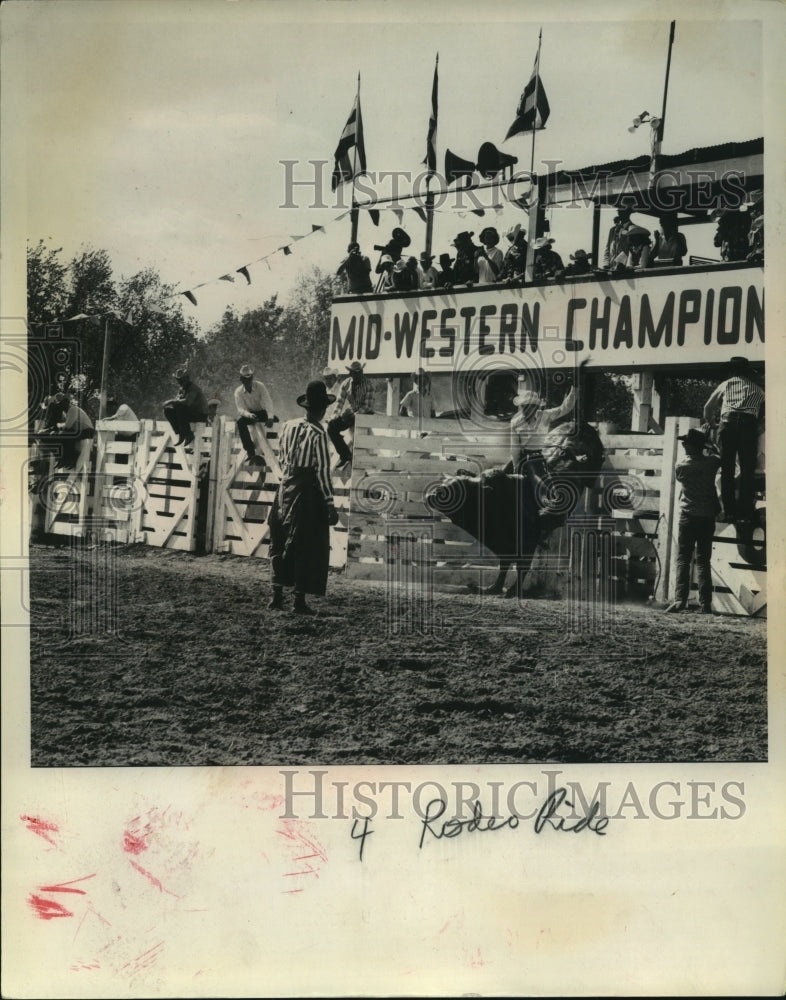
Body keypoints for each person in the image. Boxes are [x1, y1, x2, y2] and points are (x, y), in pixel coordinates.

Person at [267, 379, 339, 615]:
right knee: (307, 543)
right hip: (306, 491)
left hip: (285, 487)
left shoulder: (288, 426)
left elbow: (280, 459)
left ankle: (276, 596)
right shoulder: (318, 433)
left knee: (280, 539)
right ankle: (298, 600)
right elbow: (322, 471)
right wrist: (329, 502)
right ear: (322, 409)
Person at [664, 428, 721, 614]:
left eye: (685, 442)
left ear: (688, 446)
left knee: (683, 558)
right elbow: (719, 454)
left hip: (688, 516)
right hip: (707, 516)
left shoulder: (681, 466)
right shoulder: (711, 463)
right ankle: (705, 604)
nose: (683, 444)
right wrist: (708, 441)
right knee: (704, 560)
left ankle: (680, 600)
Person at [703, 356, 765, 522]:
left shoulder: (726, 384)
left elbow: (708, 407)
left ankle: (729, 510)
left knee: (727, 467)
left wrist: (713, 423)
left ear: (732, 371)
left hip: (728, 424)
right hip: (748, 426)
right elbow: (769, 410)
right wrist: (761, 427)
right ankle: (744, 511)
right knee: (747, 469)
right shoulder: (758, 390)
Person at [327, 361, 375, 469]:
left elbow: (367, 406)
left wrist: (354, 414)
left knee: (362, 445)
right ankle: (345, 455)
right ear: (350, 373)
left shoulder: (368, 385)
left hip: (365, 415)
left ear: (362, 372)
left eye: (359, 372)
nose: (358, 374)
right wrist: (335, 415)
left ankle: (362, 466)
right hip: (351, 413)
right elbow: (340, 402)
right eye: (355, 372)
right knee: (331, 426)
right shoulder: (346, 384)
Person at [234, 363, 275, 465]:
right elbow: (240, 409)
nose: (248, 381)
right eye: (245, 379)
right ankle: (250, 451)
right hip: (250, 414)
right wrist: (249, 415)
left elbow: (268, 401)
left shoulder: (260, 386)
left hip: (261, 412)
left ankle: (274, 449)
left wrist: (270, 417)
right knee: (240, 422)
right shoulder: (238, 392)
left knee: (275, 421)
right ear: (241, 379)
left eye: (250, 378)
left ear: (252, 378)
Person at [163, 367, 208, 447]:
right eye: (178, 381)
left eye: (181, 380)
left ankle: (188, 434)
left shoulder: (193, 389)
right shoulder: (182, 389)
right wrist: (173, 402)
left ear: (187, 378)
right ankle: (181, 433)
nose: (180, 382)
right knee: (167, 411)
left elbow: (187, 402)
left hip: (200, 414)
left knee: (180, 407)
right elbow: (177, 402)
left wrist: (172, 401)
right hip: (189, 413)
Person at [51, 393, 95, 471]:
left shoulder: (73, 409)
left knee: (64, 434)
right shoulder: (67, 412)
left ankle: (69, 459)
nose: (61, 405)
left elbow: (68, 425)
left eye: (62, 403)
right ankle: (64, 459)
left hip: (87, 431)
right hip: (81, 431)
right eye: (59, 404)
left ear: (67, 402)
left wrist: (58, 425)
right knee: (62, 435)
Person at [746, 189, 763, 263]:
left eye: (753, 210)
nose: (751, 212)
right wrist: (754, 252)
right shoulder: (757, 220)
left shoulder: (759, 220)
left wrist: (756, 252)